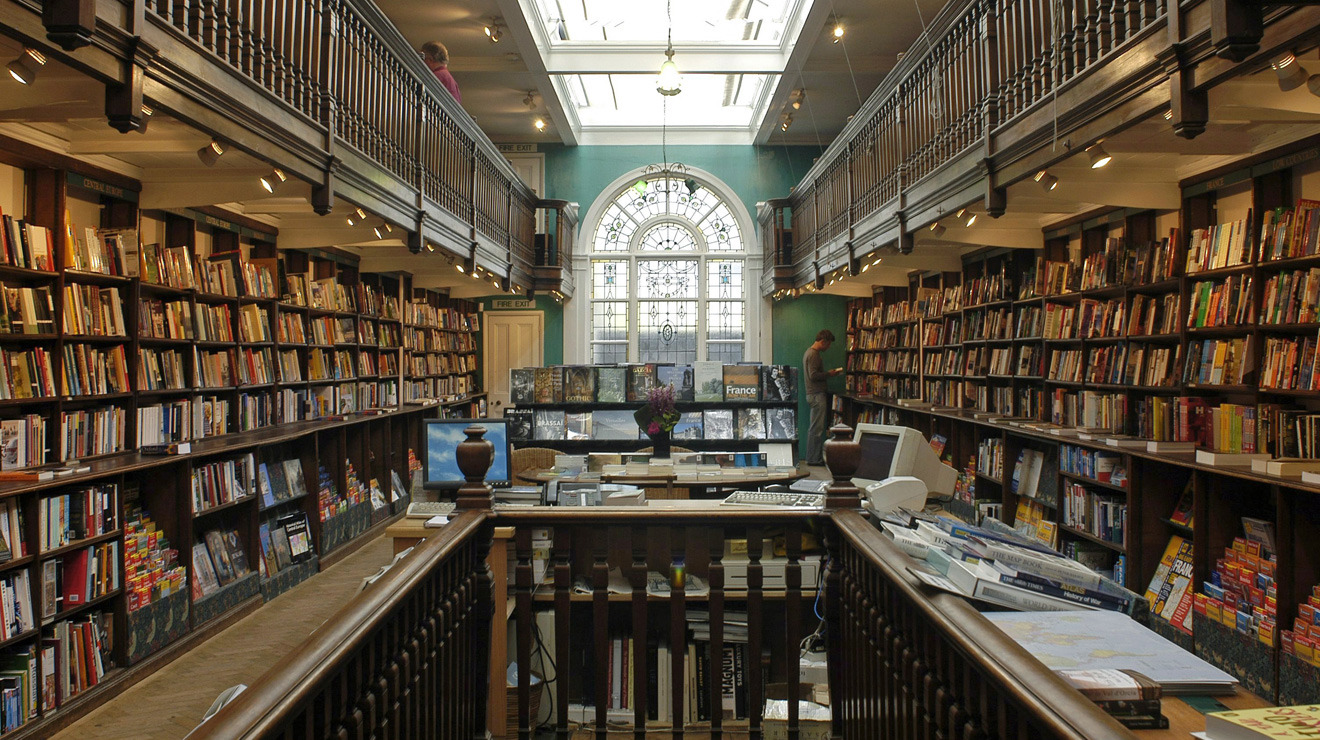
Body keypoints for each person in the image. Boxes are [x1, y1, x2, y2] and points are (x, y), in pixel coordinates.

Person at [803, 329, 843, 466]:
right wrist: (829, 374)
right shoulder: (814, 354)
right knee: (816, 429)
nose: (829, 347)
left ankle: (812, 457)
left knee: (814, 428)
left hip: (812, 394)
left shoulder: (809, 352)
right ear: (823, 341)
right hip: (816, 394)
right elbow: (813, 375)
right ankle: (814, 459)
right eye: (828, 344)